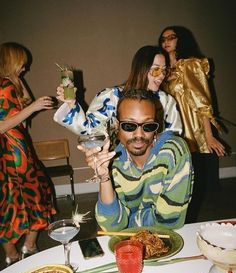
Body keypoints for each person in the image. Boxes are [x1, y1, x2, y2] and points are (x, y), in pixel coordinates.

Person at [78, 89, 193, 230]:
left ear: (156, 128)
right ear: (116, 126)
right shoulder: (113, 159)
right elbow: (112, 226)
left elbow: (168, 222)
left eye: (148, 126)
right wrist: (104, 177)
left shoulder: (173, 152)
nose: (139, 134)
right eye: (129, 126)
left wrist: (129, 221)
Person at [158, 26, 226, 221]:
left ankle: (187, 221)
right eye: (163, 39)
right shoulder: (163, 70)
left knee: (189, 179)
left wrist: (209, 135)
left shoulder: (190, 65)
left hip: (190, 129)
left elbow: (202, 100)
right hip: (171, 127)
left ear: (181, 40)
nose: (166, 41)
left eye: (171, 37)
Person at [0, 42, 56, 267]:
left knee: (11, 202)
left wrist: (16, 76)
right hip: (13, 153)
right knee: (32, 197)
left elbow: (27, 98)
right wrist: (32, 108)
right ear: (12, 60)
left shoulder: (8, 83)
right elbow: (2, 125)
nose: (25, 67)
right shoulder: (3, 86)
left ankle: (15, 252)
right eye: (22, 63)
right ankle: (24, 248)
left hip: (17, 150)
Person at [54, 46, 182, 138]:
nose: (161, 76)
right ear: (141, 69)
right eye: (156, 70)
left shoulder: (166, 101)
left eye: (164, 70)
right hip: (119, 167)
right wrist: (71, 103)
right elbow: (90, 130)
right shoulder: (112, 97)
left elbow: (174, 137)